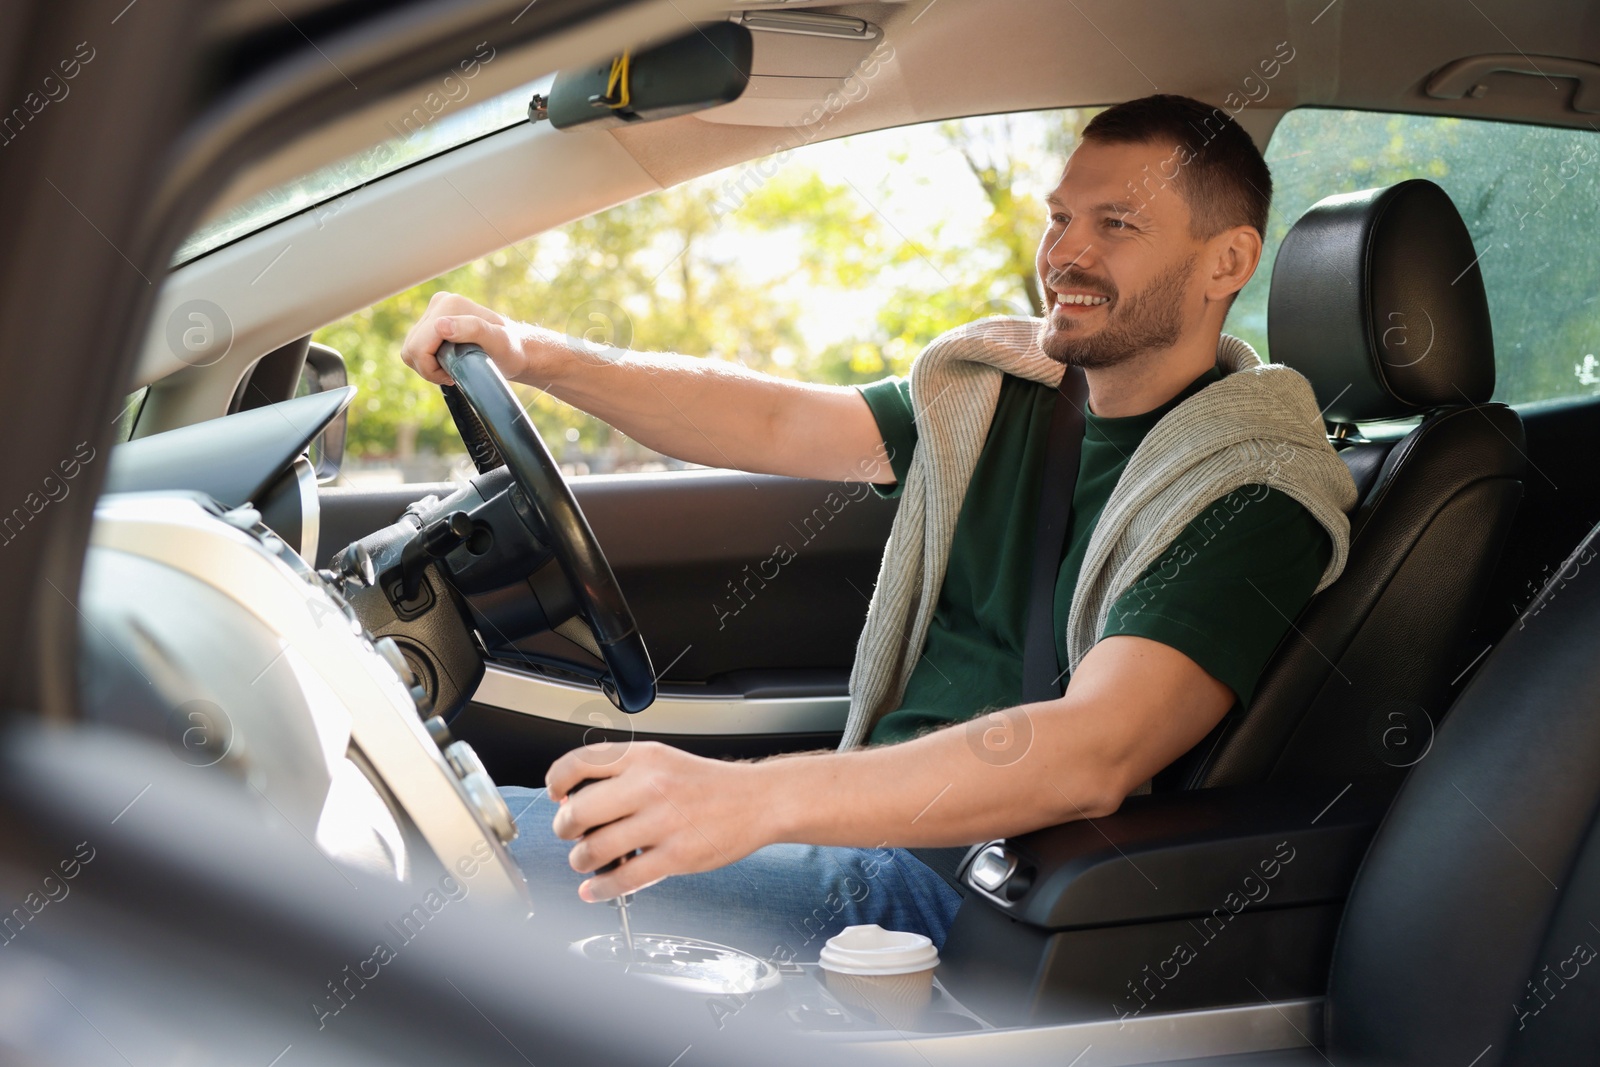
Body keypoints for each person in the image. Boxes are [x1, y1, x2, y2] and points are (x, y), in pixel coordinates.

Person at [398, 94, 1357, 960]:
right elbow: (774, 421)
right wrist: (537, 354)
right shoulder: (1001, 394)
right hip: (874, 830)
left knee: (441, 847)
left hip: (976, 888)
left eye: (1119, 225)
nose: (1066, 254)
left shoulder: (1250, 487)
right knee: (437, 816)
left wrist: (751, 800)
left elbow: (1092, 751)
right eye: (1062, 216)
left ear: (1226, 260)